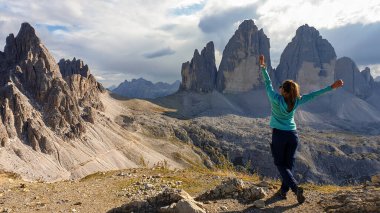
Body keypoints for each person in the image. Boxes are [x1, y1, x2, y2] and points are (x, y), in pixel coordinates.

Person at [258, 54, 343, 204]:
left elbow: (267, 83)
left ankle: (295, 189)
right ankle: (283, 192)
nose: (279, 90)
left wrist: (263, 67)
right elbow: (314, 94)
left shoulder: (275, 99)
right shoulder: (297, 101)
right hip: (293, 135)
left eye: (281, 88)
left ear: (283, 91)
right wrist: (331, 87)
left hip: (279, 135)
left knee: (279, 163)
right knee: (288, 164)